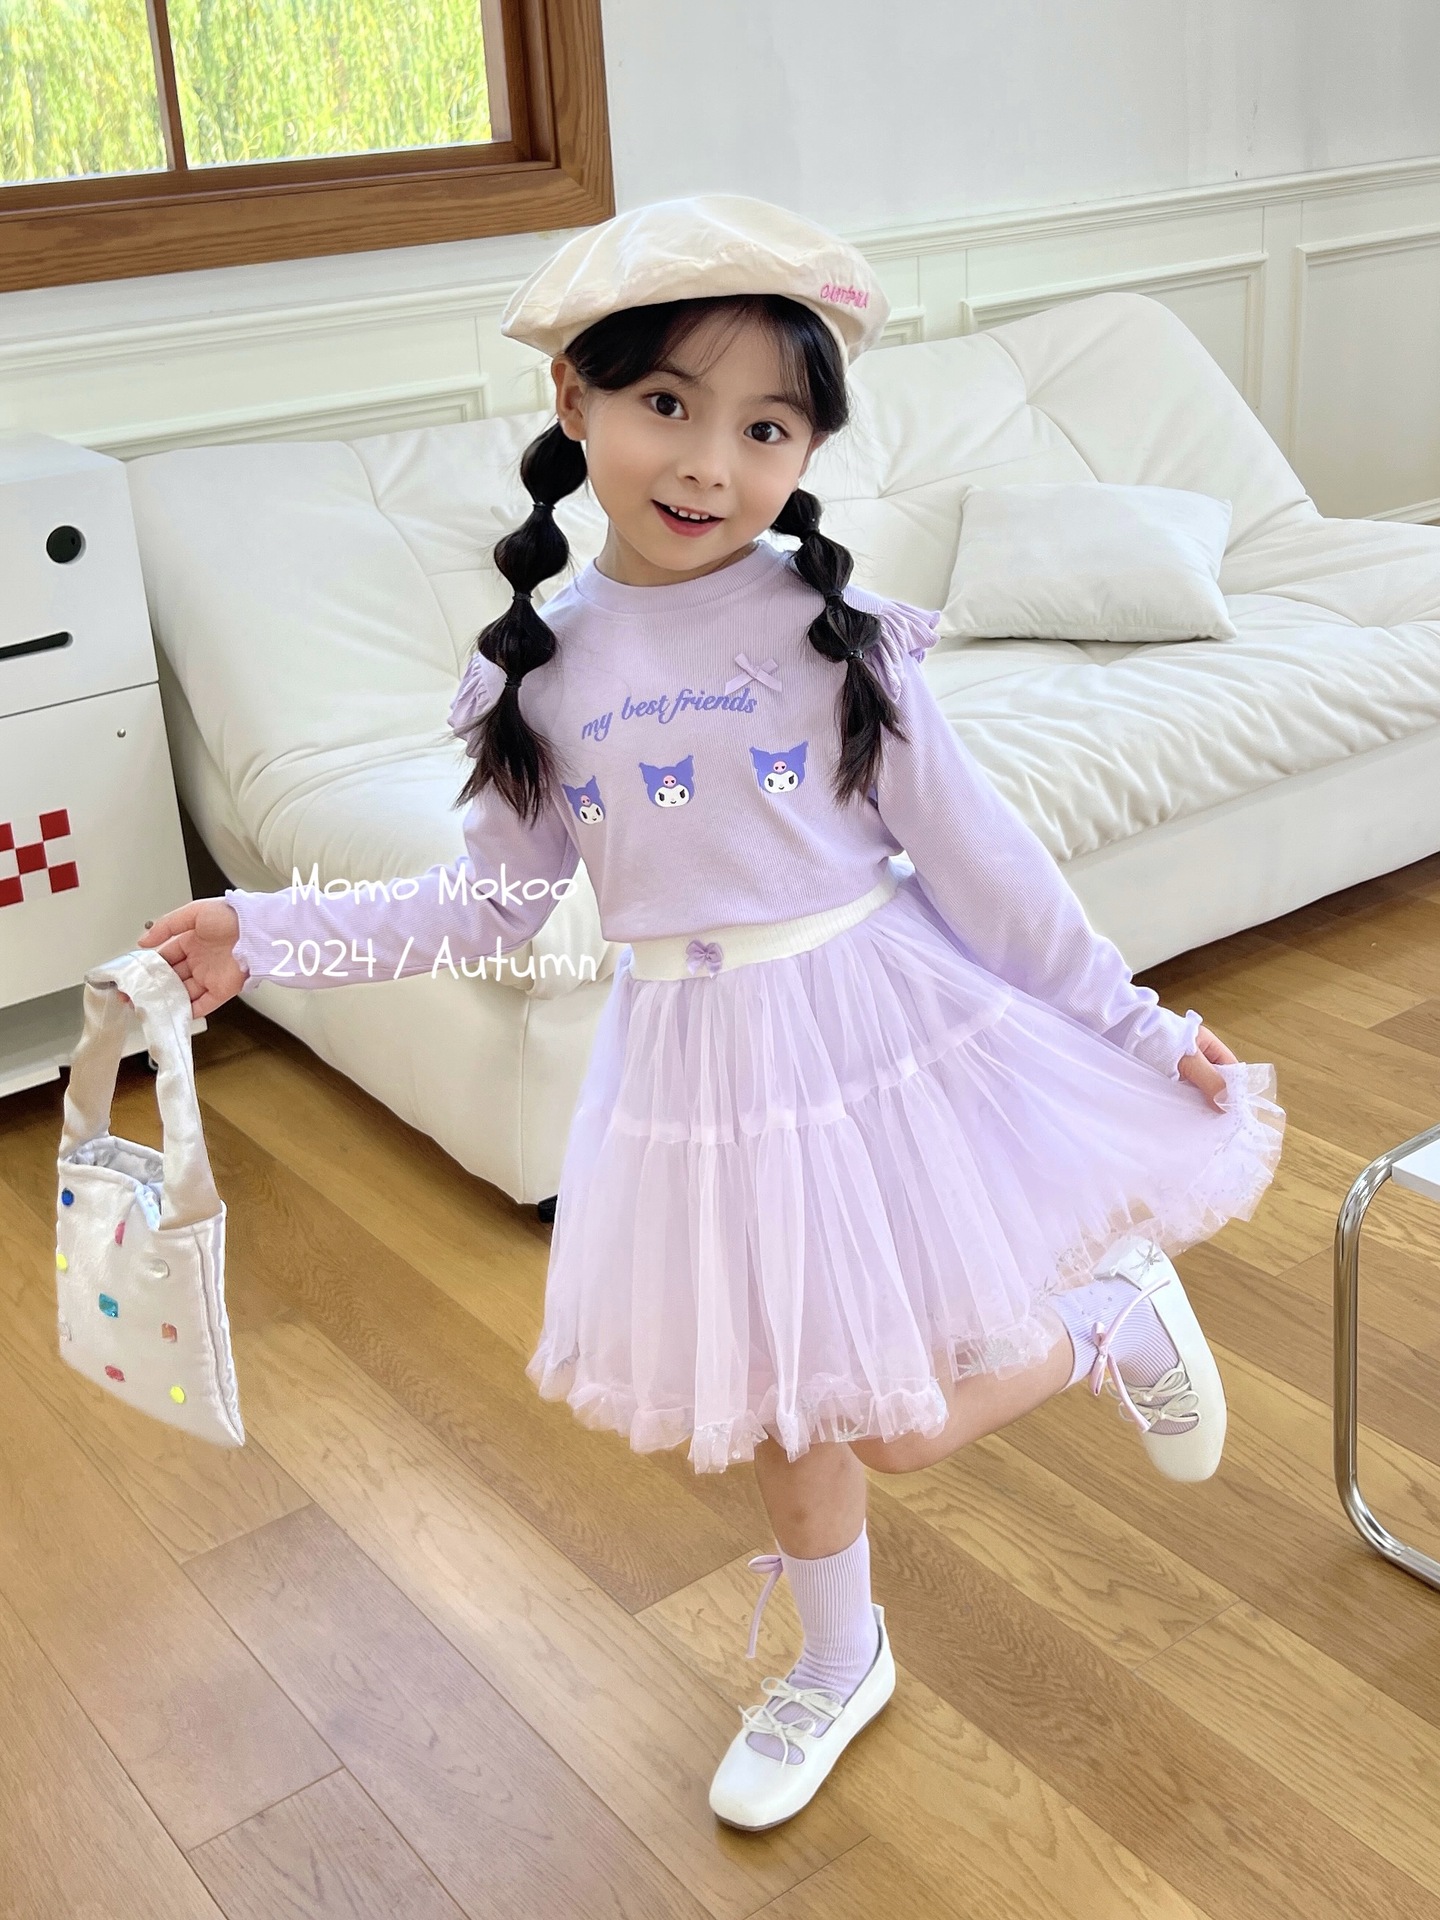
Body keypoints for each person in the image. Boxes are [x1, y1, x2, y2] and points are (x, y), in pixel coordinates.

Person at [138, 193, 1285, 1835]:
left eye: (765, 428)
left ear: (807, 449)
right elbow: (487, 906)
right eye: (667, 404)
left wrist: (1139, 1025)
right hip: (694, 1076)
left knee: (891, 1425)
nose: (708, 463)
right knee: (778, 1399)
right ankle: (837, 1657)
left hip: (880, 1036)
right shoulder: (536, 669)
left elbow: (988, 866)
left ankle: (1107, 1318)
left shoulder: (833, 637)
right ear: (574, 401)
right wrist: (265, 933)